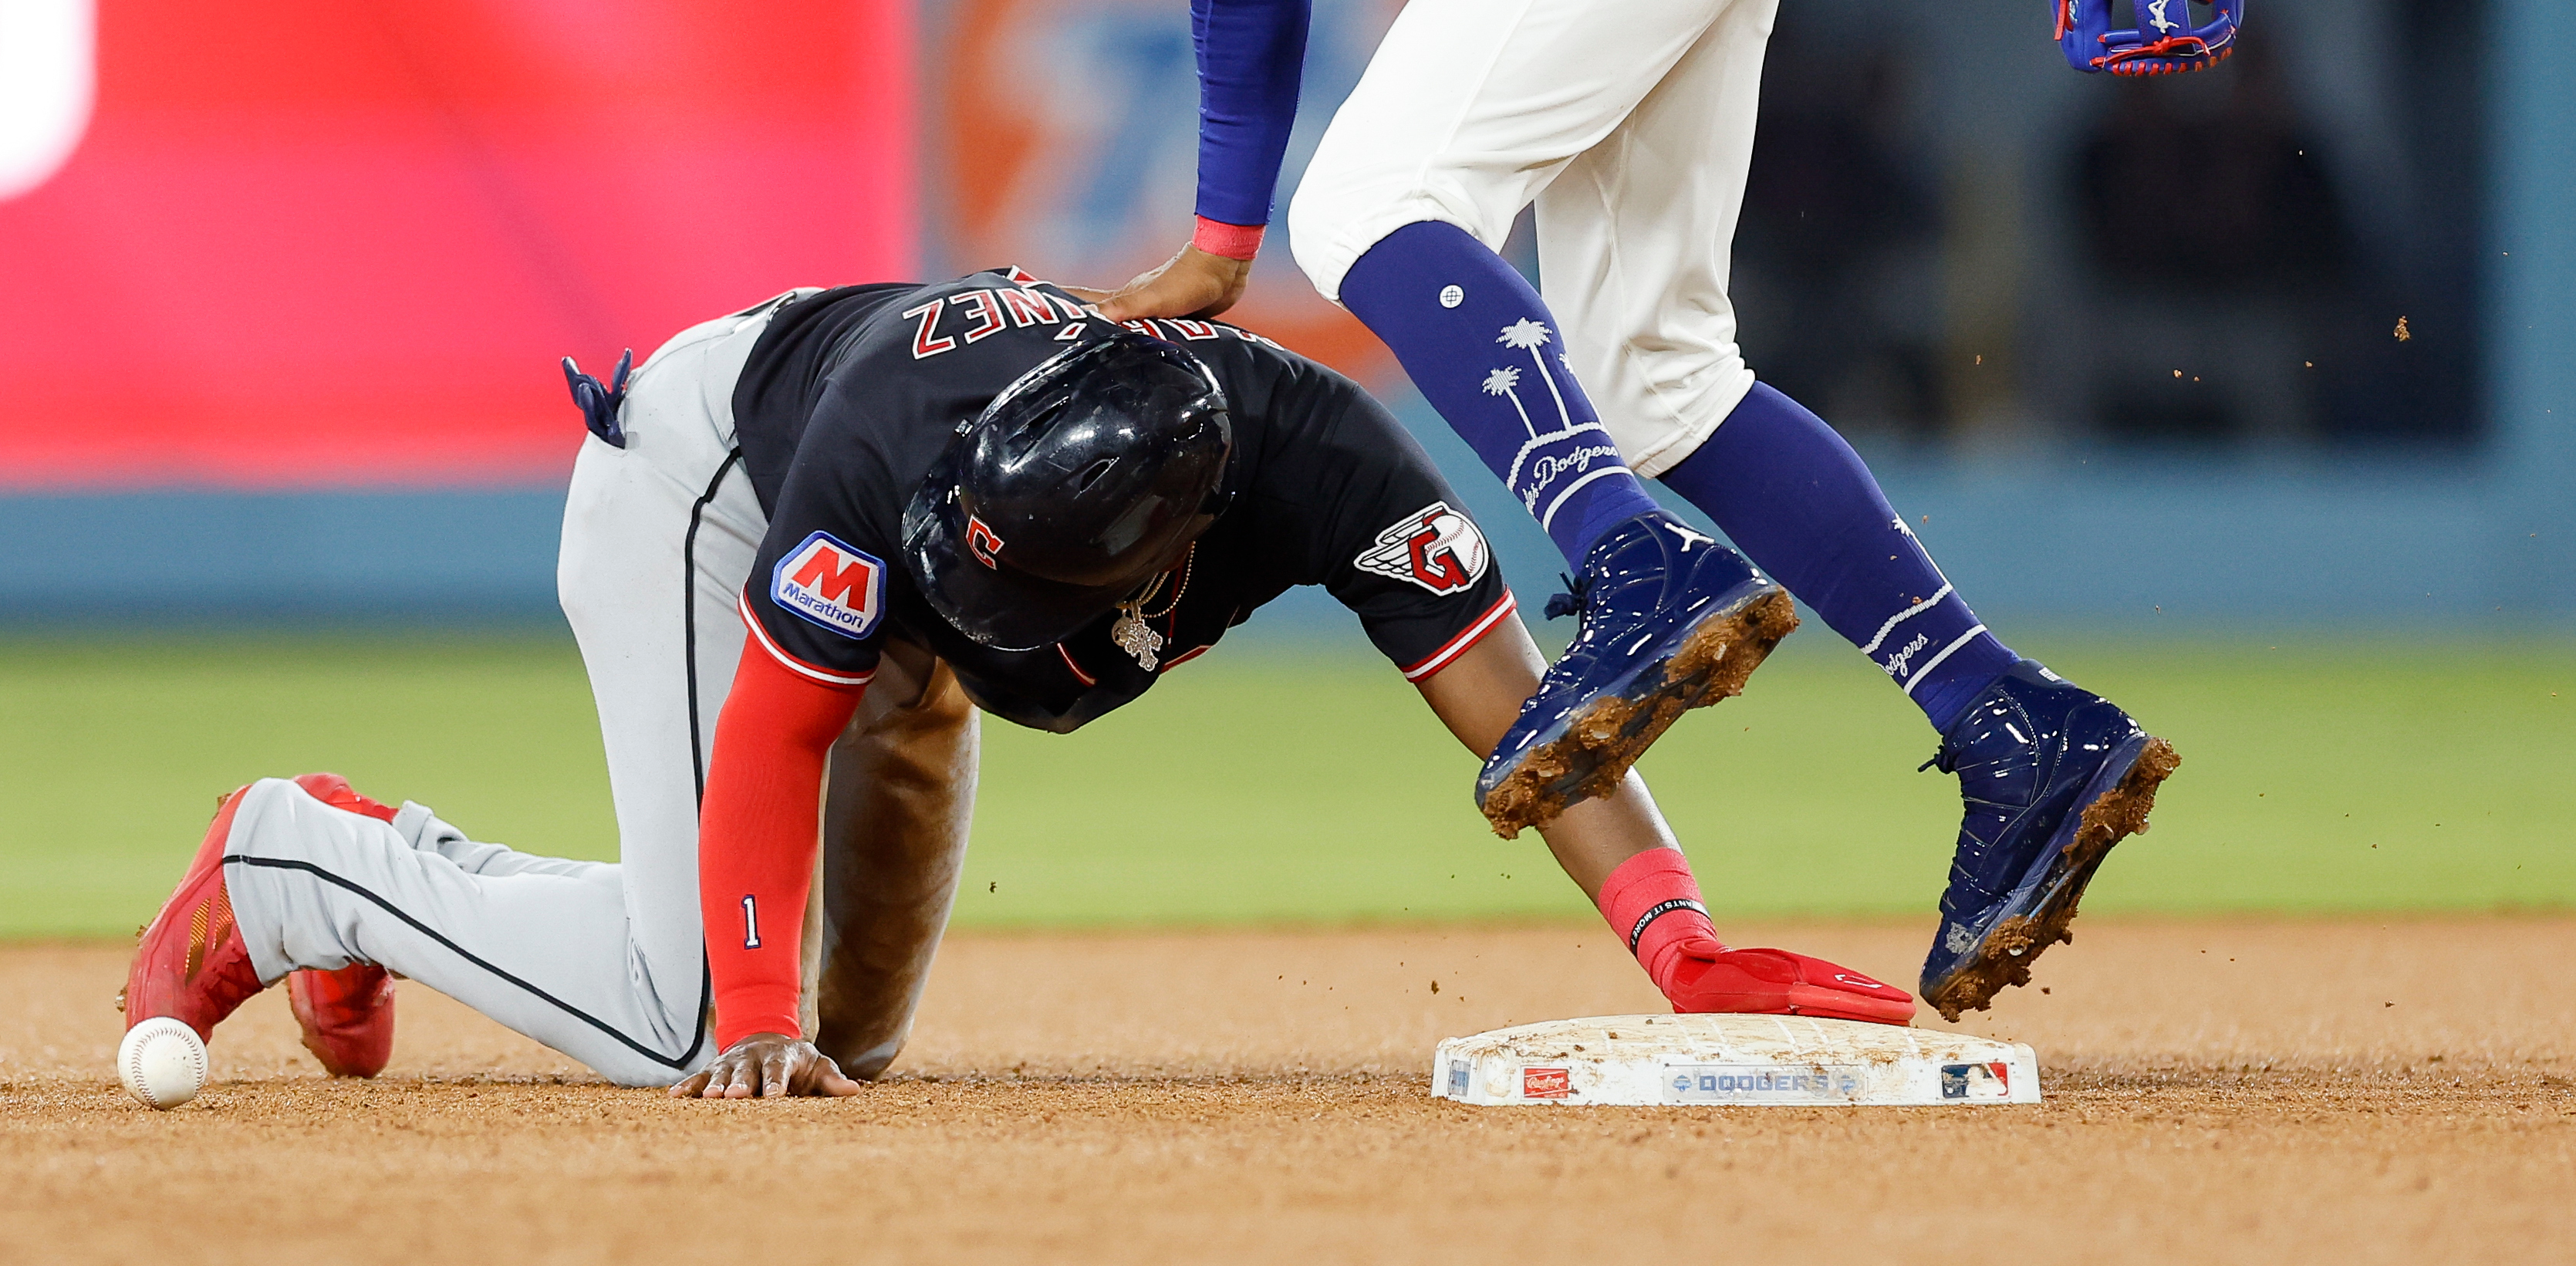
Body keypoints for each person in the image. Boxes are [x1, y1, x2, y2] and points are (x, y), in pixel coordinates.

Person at [836, 0, 2180, 1019]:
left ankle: (1631, 566)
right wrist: (1219, 246)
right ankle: (2014, 729)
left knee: (1364, 199)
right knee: (1655, 379)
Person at [118, 273, 1914, 1095]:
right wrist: (747, 1001)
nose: (964, 569)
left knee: (853, 1045)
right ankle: (300, 865)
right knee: (709, 1027)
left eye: (1010, 575)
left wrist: (1674, 936)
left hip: (884, 625)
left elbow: (1525, 709)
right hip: (699, 488)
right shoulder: (892, 440)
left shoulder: (1328, 468)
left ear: (1167, 545)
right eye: (958, 545)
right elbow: (778, 721)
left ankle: (393, 901)